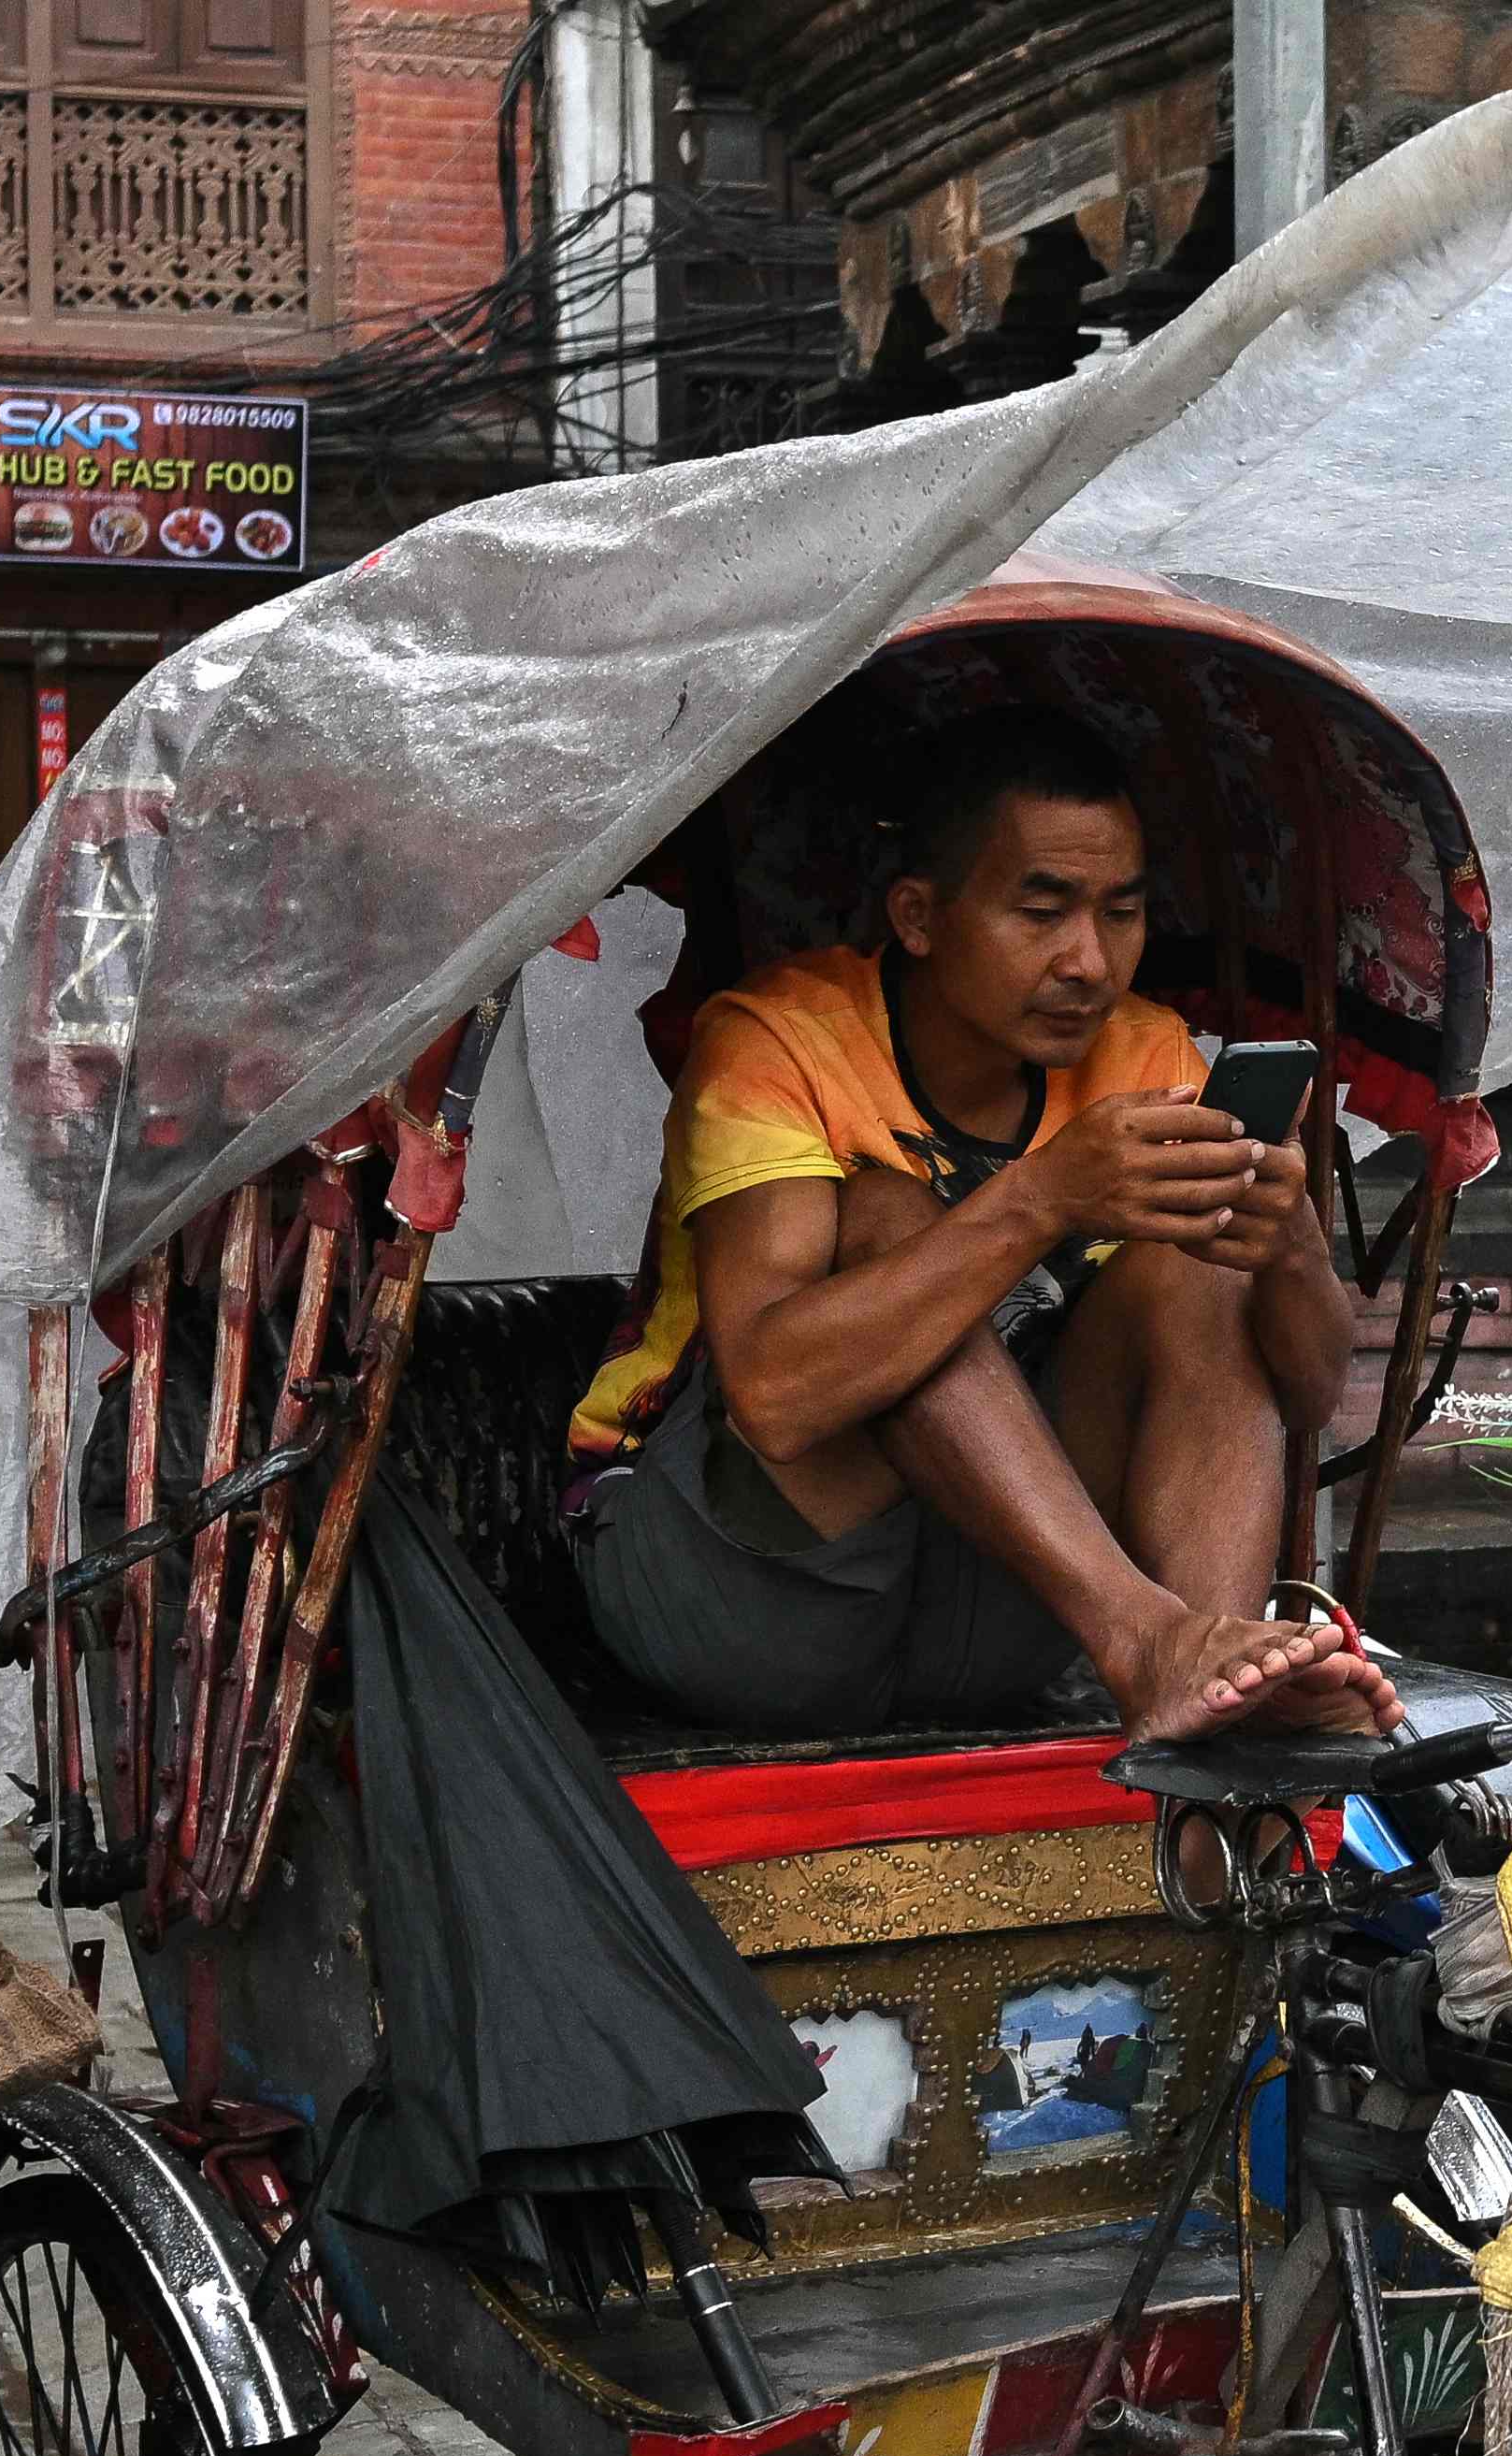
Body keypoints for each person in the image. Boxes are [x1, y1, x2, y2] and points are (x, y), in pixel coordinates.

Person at [563, 708, 1398, 1744]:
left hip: (1009, 1600)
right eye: (1042, 911)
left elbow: (1312, 1394)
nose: (1088, 961)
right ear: (918, 916)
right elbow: (776, 1399)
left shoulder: (1150, 1057)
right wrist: (1046, 1195)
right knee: (884, 1210)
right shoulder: (778, 1039)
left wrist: (1290, 1249)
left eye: (1121, 913)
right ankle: (1150, 1641)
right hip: (739, 1590)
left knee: (1200, 1261)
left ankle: (1212, 1675)